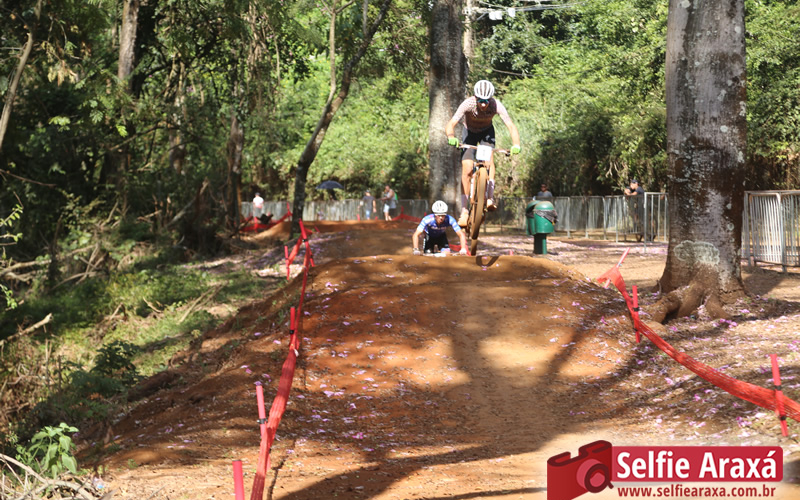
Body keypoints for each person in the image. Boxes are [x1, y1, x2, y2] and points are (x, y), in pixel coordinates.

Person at [445, 80, 522, 226]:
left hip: (487, 134)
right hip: (469, 134)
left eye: (486, 101)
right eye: (480, 101)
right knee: (467, 169)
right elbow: (451, 123)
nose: (483, 104)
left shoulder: (496, 105)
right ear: (475, 98)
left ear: (490, 99)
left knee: (488, 162)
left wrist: (516, 144)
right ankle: (464, 211)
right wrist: (451, 136)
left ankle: (489, 198)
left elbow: (511, 126)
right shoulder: (468, 104)